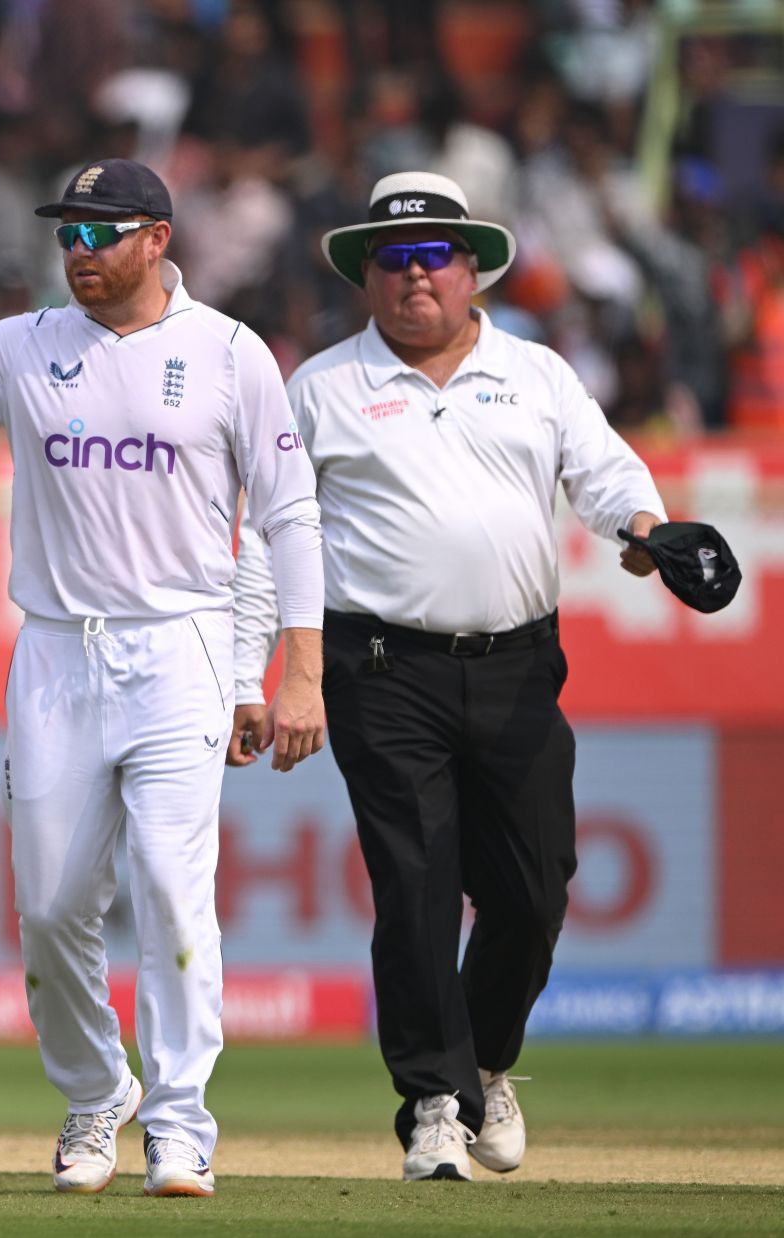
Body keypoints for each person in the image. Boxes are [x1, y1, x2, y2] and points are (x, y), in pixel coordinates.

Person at [0, 158, 327, 1199]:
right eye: (68, 235)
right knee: (49, 904)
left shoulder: (231, 354)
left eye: (102, 233)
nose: (79, 252)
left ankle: (181, 1124)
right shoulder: (28, 343)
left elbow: (290, 516)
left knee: (175, 894)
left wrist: (292, 673)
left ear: (157, 238)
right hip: (54, 650)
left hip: (178, 646)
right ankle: (99, 1091)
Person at [231, 172, 667, 1182]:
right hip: (379, 666)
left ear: (473, 270)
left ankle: (485, 1059)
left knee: (534, 888)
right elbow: (269, 542)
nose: (415, 275)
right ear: (364, 278)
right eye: (393, 259)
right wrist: (260, 675)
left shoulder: (538, 373)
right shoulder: (322, 387)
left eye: (435, 255)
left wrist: (648, 532)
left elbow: (606, 476)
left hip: (518, 663)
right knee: (417, 883)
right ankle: (433, 1099)